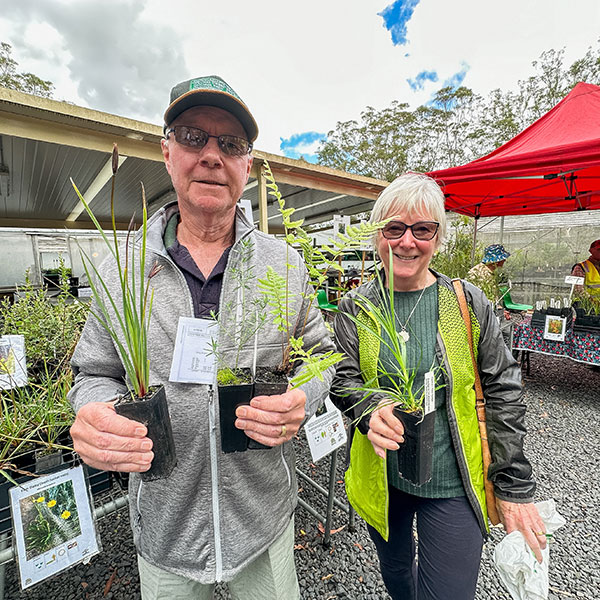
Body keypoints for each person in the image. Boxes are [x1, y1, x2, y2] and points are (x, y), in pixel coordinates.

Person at [68, 75, 335, 600]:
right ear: (167, 152)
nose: (212, 155)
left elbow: (321, 355)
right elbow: (93, 373)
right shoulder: (121, 268)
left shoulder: (285, 266)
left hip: (264, 523)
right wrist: (92, 414)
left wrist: (304, 395)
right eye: (194, 137)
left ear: (246, 165)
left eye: (230, 144)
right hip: (167, 533)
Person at [330, 173, 545, 600]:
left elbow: (503, 387)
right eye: (394, 228)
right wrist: (369, 408)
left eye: (422, 229)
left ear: (437, 237)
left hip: (452, 478)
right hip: (383, 474)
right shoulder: (357, 307)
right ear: (378, 235)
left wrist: (514, 485)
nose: (407, 241)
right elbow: (342, 377)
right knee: (394, 570)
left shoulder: (465, 302)